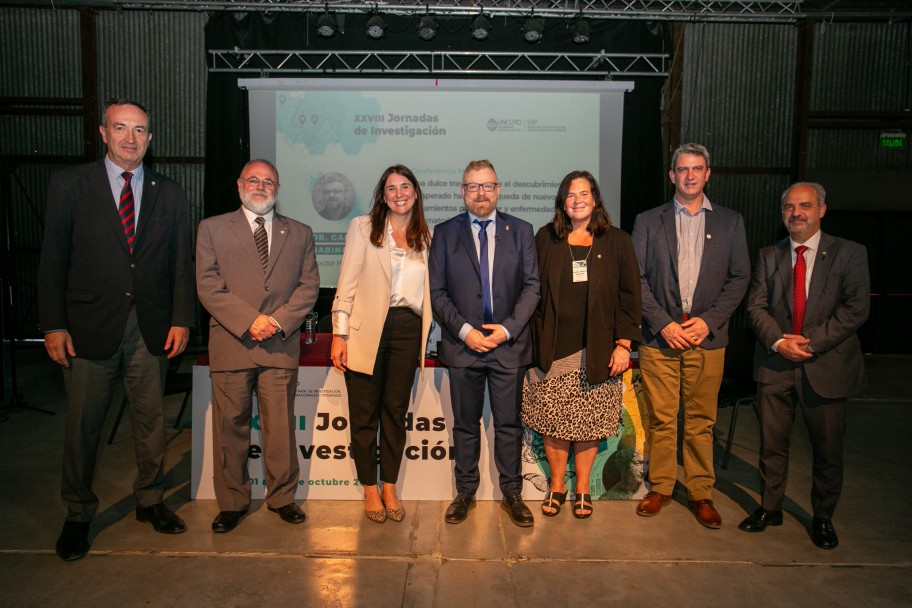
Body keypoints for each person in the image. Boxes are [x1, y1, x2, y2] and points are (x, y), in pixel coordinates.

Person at [38, 98, 195, 561]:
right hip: (88, 328)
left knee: (151, 423)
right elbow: (52, 260)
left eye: (140, 130)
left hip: (150, 328)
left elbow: (179, 263)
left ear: (151, 138)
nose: (131, 138)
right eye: (121, 128)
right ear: (103, 133)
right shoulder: (70, 184)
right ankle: (79, 514)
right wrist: (53, 325)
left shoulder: (170, 191)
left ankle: (151, 500)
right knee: (83, 426)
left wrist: (181, 317)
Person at [740, 182, 869, 550]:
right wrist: (780, 341)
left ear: (821, 210)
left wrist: (810, 343)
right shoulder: (769, 255)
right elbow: (755, 307)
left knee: (828, 450)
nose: (796, 213)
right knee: (771, 444)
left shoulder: (849, 253)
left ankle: (823, 517)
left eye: (805, 206)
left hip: (826, 365)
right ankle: (770, 507)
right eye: (789, 207)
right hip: (775, 364)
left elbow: (857, 308)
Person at [196, 159, 320, 533]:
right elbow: (207, 284)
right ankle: (232, 503)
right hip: (233, 342)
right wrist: (250, 320)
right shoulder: (212, 228)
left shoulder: (299, 232)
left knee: (280, 427)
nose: (261, 186)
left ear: (277, 190)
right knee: (230, 428)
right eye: (254, 180)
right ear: (239, 185)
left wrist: (278, 321)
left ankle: (282, 498)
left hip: (279, 345)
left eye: (269, 182)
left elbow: (309, 286)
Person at [631, 143, 750, 529]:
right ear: (672, 175)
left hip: (706, 338)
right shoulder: (650, 221)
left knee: (700, 421)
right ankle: (661, 487)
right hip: (660, 337)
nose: (690, 175)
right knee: (662, 419)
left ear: (708, 174)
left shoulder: (731, 222)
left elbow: (739, 279)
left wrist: (709, 321)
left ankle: (701, 493)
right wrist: (664, 322)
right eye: (682, 169)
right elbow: (636, 279)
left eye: (697, 168)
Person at [522, 170, 641, 519]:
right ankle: (557, 486)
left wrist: (624, 344)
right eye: (570, 195)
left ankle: (583, 488)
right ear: (562, 201)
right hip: (552, 348)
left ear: (595, 199)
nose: (577, 200)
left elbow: (630, 295)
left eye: (584, 194)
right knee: (555, 422)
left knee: (588, 424)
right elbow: (530, 289)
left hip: (598, 350)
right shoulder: (546, 238)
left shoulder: (616, 241)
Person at [429, 159, 541, 527]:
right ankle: (465, 492)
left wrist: (505, 330)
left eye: (487, 186)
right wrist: (466, 331)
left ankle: (512, 493)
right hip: (463, 348)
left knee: (508, 425)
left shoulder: (522, 231)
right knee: (465, 425)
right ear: (463, 192)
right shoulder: (444, 233)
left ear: (498, 189)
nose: (481, 193)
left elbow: (531, 287)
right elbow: (438, 291)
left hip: (508, 348)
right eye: (473, 186)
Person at [330, 165, 433, 524]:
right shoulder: (363, 227)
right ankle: (369, 488)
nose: (399, 193)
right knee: (363, 416)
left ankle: (390, 484)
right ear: (383, 195)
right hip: (365, 331)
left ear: (416, 193)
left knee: (395, 413)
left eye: (405, 186)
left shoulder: (427, 236)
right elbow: (346, 282)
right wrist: (339, 335)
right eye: (391, 188)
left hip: (408, 330)